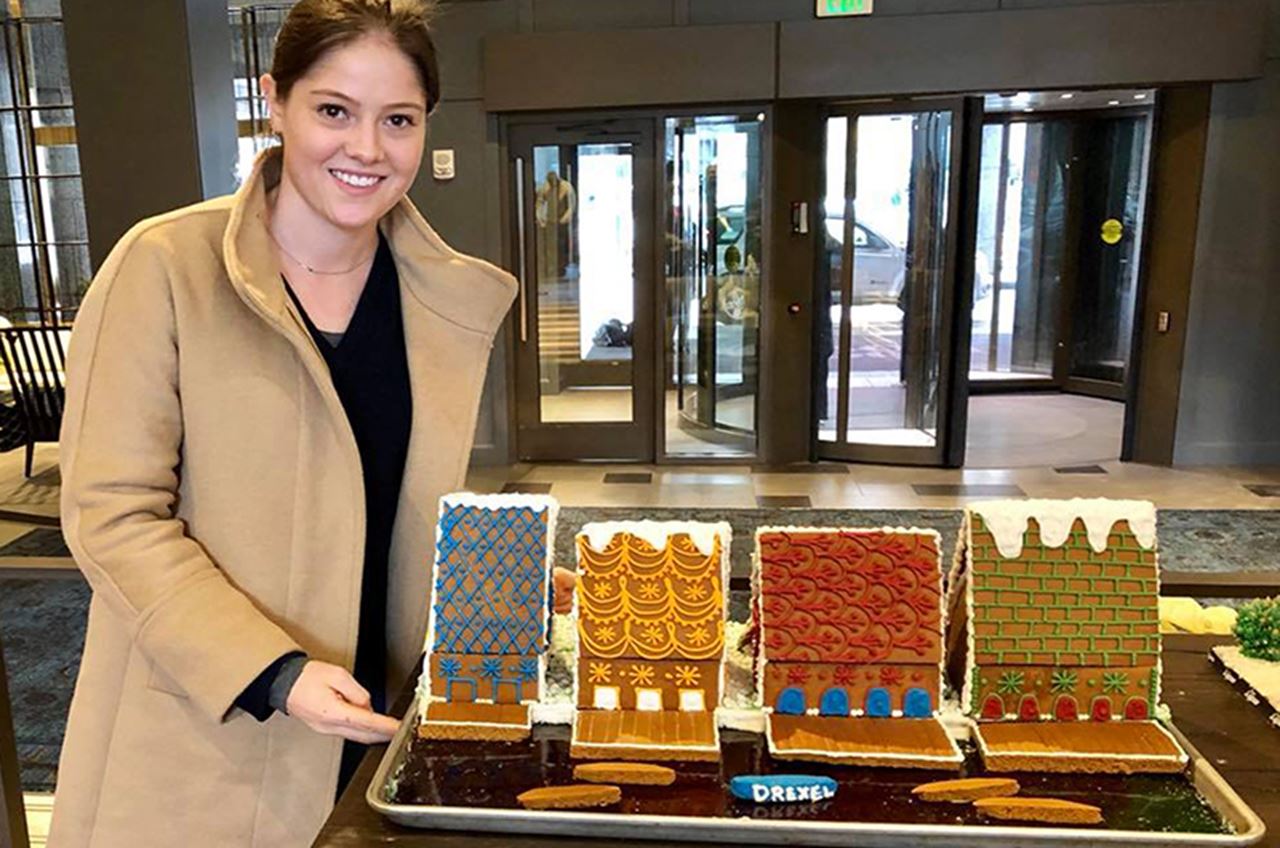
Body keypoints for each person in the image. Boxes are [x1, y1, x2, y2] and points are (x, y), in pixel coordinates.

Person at [48, 2, 517, 845]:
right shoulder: (166, 267)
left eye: (398, 120)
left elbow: (384, 509)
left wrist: (497, 581)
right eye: (334, 110)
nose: (366, 148)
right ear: (275, 101)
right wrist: (274, 672)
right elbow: (110, 514)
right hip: (215, 725)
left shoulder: (435, 296)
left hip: (374, 719)